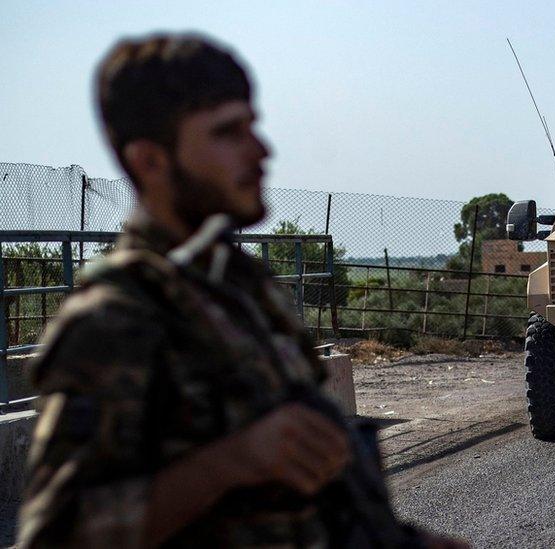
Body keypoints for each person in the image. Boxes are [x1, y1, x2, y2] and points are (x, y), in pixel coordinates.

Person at [18, 34, 468, 549]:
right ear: (150, 161)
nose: (261, 151)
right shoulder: (114, 318)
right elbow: (57, 535)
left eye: (253, 125)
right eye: (228, 132)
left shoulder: (248, 292)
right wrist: (230, 463)